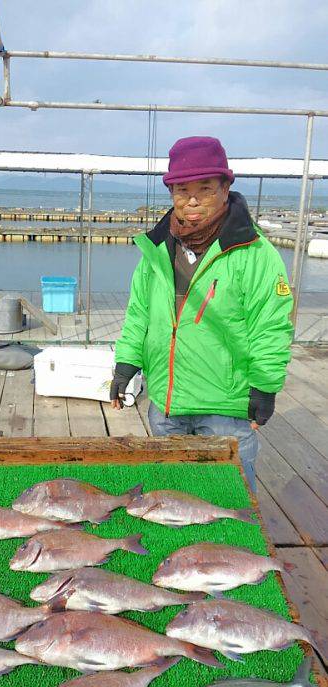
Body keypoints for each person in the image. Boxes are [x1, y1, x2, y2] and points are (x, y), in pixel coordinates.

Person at [110, 136, 293, 492]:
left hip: (224, 405)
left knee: (228, 501)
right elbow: (139, 313)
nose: (191, 201)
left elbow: (270, 325)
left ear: (226, 188)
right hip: (166, 403)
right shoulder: (157, 249)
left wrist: (265, 387)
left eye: (205, 188)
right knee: (169, 500)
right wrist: (125, 363)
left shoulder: (255, 254)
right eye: (181, 190)